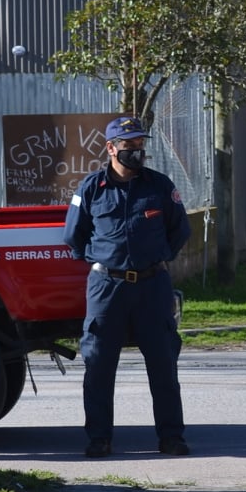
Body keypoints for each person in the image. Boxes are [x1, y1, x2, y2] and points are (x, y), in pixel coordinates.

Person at [62, 115, 191, 458]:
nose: (136, 151)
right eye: (128, 145)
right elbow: (73, 236)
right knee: (99, 365)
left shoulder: (160, 186)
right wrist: (103, 260)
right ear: (110, 148)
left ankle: (171, 437)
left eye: (140, 145)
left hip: (152, 286)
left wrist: (159, 257)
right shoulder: (91, 188)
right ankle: (99, 439)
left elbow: (180, 230)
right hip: (107, 287)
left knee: (163, 364)